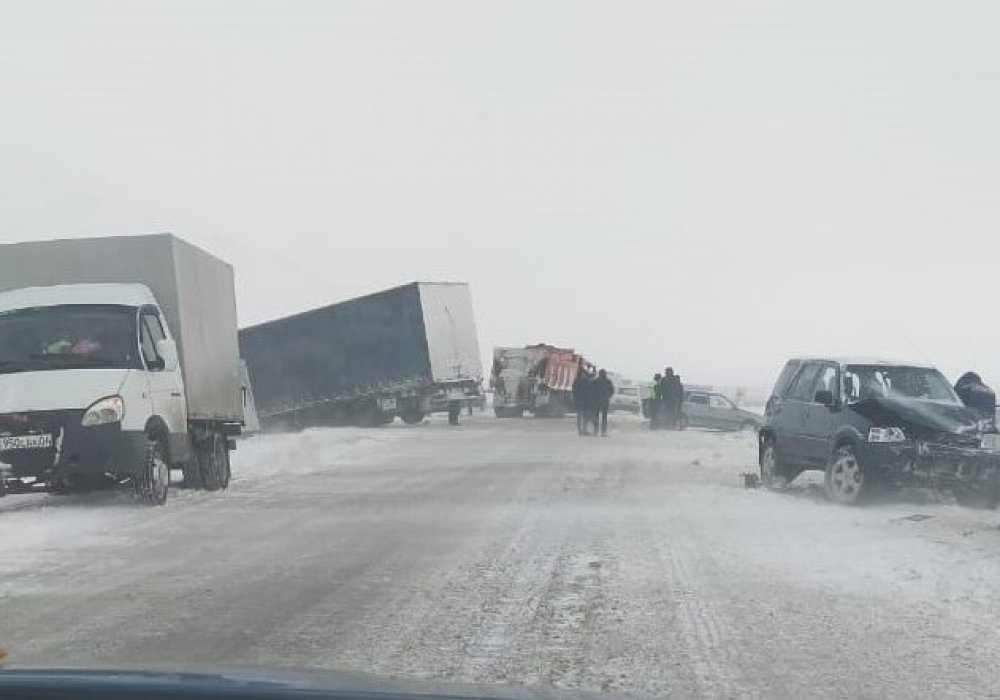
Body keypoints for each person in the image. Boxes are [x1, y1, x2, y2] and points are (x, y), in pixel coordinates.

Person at [593, 369, 615, 436]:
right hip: (605, 401)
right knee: (604, 417)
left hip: (596, 401)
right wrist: (608, 396)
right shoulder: (608, 381)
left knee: (596, 416)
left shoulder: (595, 381)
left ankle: (596, 431)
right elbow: (612, 390)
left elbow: (591, 390)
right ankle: (603, 432)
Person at [572, 365, 590, 436]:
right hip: (583, 401)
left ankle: (581, 430)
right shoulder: (585, 381)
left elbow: (574, 391)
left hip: (579, 401)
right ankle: (583, 430)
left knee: (580, 416)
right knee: (584, 416)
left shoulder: (576, 381)